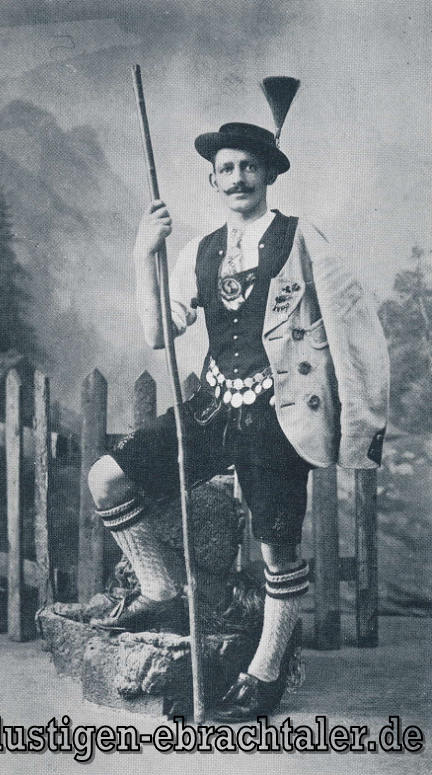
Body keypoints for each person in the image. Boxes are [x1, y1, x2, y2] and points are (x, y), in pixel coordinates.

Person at [87, 79, 389, 721]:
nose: (237, 178)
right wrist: (144, 254)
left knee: (278, 546)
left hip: (279, 415)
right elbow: (158, 334)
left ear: (269, 174)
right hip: (214, 406)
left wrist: (359, 419)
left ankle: (265, 673)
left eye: (249, 166)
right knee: (107, 478)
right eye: (225, 169)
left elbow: (354, 324)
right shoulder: (201, 252)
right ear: (212, 180)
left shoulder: (301, 238)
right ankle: (159, 589)